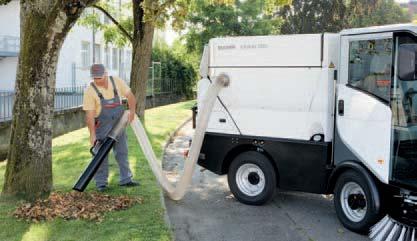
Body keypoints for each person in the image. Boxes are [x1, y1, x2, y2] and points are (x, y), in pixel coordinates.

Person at [82, 63, 139, 191]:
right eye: (95, 78)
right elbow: (89, 116)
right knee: (101, 155)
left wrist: (132, 112)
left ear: (106, 74)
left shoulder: (117, 81)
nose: (97, 80)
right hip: (102, 126)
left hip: (119, 124)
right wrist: (92, 134)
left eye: (100, 78)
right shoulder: (90, 91)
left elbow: (130, 96)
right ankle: (101, 184)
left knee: (122, 152)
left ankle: (126, 179)